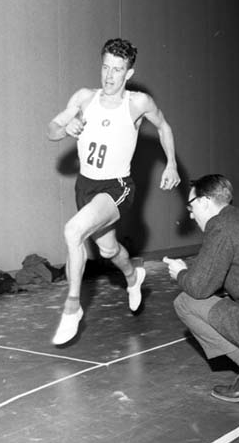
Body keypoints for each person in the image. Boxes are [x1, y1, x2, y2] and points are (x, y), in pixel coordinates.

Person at [47, 38, 180, 345]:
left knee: (73, 231)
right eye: (105, 67)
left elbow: (164, 127)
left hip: (117, 186)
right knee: (108, 251)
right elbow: (52, 130)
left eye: (117, 69)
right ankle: (133, 276)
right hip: (85, 186)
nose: (109, 75)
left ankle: (72, 308)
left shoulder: (137, 103)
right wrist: (65, 129)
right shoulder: (84, 98)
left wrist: (171, 164)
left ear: (128, 73)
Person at [165, 174, 239, 403]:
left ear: (204, 201)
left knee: (185, 302)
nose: (191, 215)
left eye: (191, 207)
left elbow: (199, 288)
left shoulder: (220, 226)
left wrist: (180, 272)